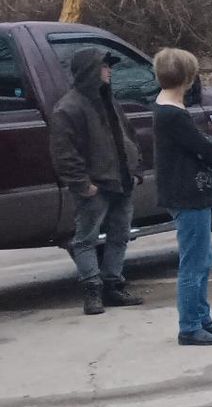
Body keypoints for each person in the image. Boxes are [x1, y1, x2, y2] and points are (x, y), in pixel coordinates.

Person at [48, 48, 144, 316]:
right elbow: (63, 152)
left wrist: (136, 169)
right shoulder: (69, 107)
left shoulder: (109, 100)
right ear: (90, 70)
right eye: (104, 65)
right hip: (95, 186)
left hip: (122, 181)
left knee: (120, 235)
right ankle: (92, 288)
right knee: (85, 239)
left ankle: (113, 285)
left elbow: (129, 135)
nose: (109, 70)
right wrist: (82, 184)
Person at [151, 50, 212, 346]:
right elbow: (204, 147)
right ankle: (189, 325)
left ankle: (202, 317)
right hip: (186, 194)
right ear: (188, 78)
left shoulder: (169, 106)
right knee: (194, 263)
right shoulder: (172, 115)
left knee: (203, 257)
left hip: (187, 193)